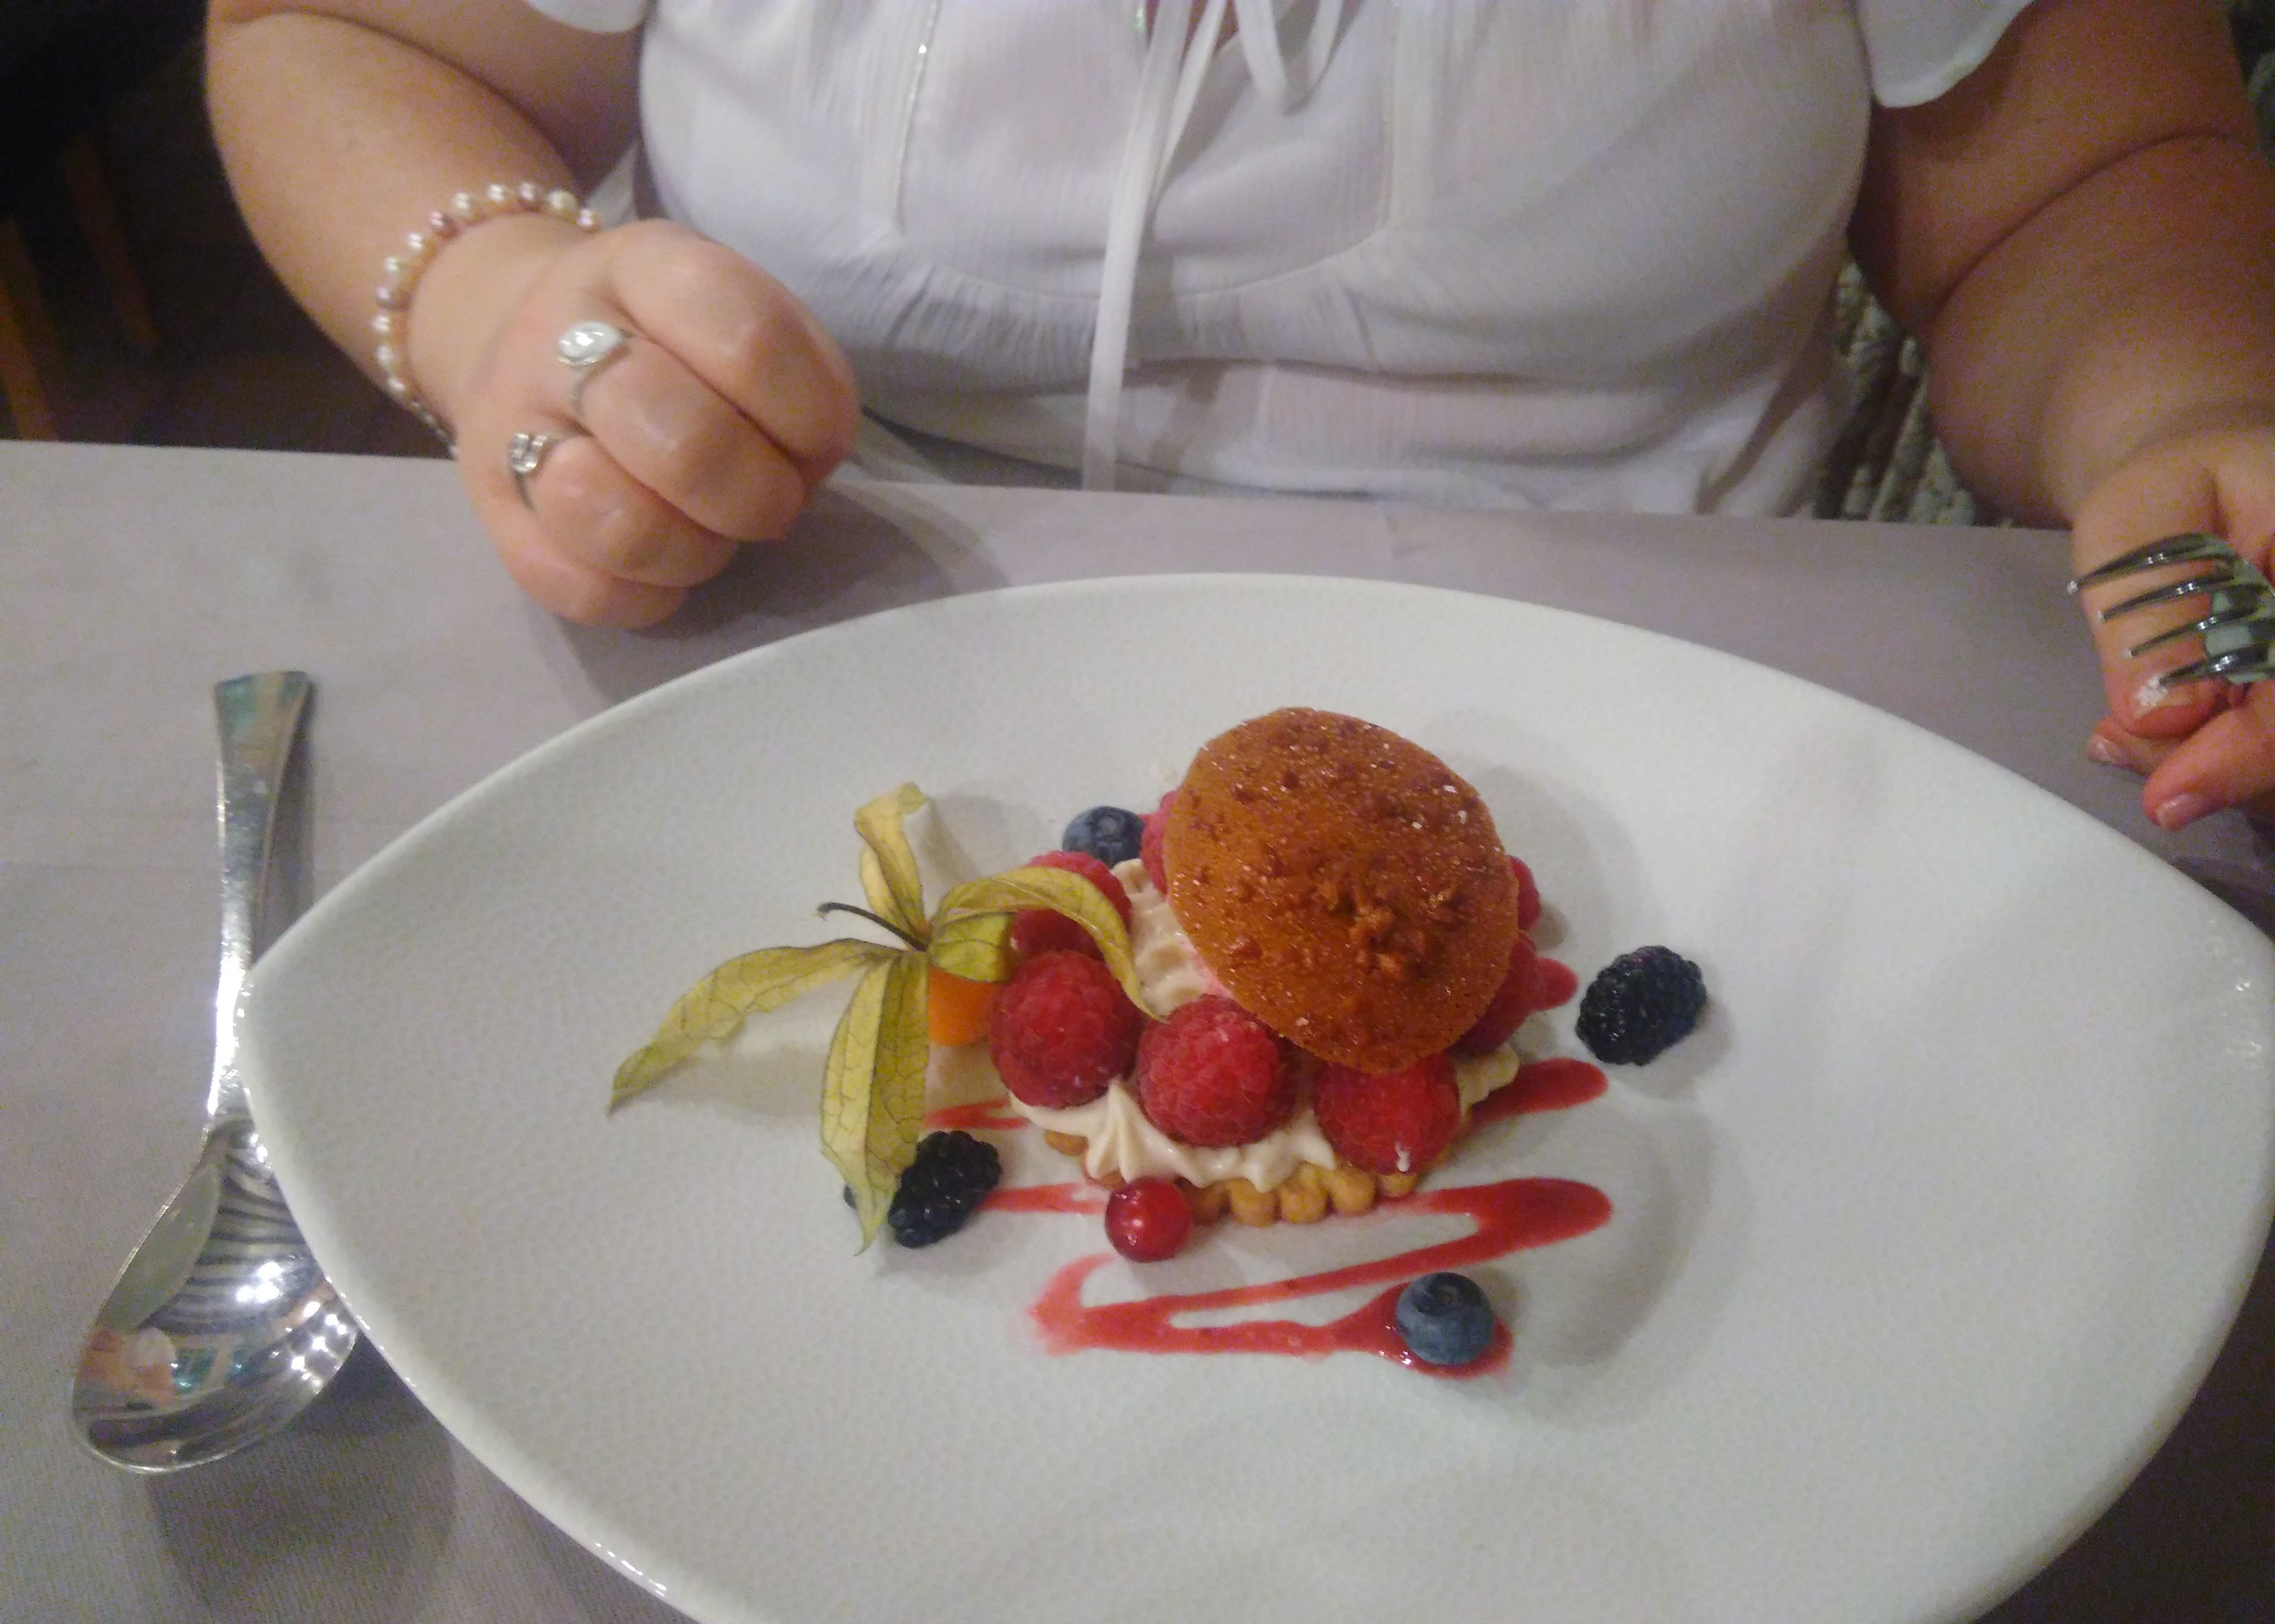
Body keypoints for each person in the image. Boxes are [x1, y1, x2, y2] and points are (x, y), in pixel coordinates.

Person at [204, 0, 2275, 834]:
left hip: (1675, 765)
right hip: (786, 692)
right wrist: (496, 299)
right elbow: (340, 32)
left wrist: (2183, 412)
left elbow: (2081, 188)